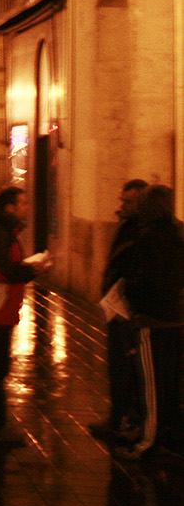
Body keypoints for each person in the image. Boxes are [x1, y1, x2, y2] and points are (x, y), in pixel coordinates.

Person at [0, 186, 50, 441]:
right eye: (23, 204)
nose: (27, 208)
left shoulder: (3, 231)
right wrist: (32, 270)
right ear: (10, 208)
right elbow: (2, 271)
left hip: (1, 307)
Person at [112, 185, 184, 460]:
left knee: (151, 385)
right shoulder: (177, 233)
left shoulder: (150, 236)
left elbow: (146, 280)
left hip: (151, 319)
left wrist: (129, 291)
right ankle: (168, 437)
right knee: (169, 383)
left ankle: (148, 443)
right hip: (174, 318)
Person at [96, 179, 148, 441]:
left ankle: (127, 420)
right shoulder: (127, 227)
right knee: (117, 366)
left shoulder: (144, 233)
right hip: (116, 308)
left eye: (128, 201)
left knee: (129, 368)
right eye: (122, 199)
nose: (122, 205)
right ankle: (116, 418)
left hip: (129, 310)